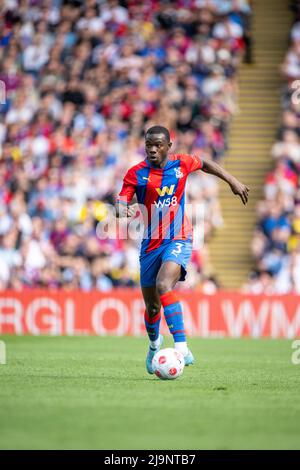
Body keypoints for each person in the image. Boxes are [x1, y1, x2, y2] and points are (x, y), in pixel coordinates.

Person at [115, 125, 249, 374]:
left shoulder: (182, 164)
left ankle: (182, 347)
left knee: (164, 284)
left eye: (157, 145)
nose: (152, 149)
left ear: (168, 146)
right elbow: (122, 200)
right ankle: (155, 345)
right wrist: (121, 208)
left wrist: (233, 181)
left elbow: (206, 163)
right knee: (152, 307)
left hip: (179, 238)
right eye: (148, 145)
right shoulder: (136, 173)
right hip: (150, 245)